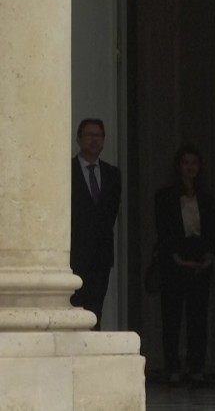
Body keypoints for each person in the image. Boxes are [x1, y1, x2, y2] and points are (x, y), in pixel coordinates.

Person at [154, 144, 215, 386]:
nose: (190, 168)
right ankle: (172, 366)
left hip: (200, 258)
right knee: (171, 317)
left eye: (194, 163)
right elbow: (162, 229)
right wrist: (175, 257)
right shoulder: (165, 196)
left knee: (198, 317)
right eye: (186, 163)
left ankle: (196, 367)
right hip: (174, 260)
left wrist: (209, 255)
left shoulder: (206, 197)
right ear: (178, 166)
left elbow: (213, 229)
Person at [70, 118, 122, 331]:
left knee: (95, 310)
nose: (94, 140)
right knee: (74, 309)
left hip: (101, 254)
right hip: (75, 254)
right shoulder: (67, 170)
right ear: (79, 139)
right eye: (89, 135)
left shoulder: (112, 174)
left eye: (98, 135)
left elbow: (111, 213)